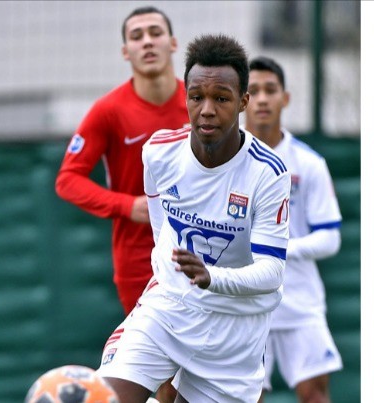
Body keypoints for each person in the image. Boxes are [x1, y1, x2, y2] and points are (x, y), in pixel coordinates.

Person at [97, 34, 291, 403]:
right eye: (197, 97)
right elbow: (161, 225)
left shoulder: (268, 173)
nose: (207, 110)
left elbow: (272, 272)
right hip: (169, 309)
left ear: (243, 101)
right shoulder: (159, 152)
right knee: (106, 398)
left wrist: (211, 277)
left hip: (234, 332)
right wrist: (170, 270)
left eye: (221, 98)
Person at [55, 6, 189, 316]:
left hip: (202, 249)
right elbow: (67, 180)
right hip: (138, 259)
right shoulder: (108, 111)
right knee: (151, 345)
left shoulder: (199, 104)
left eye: (155, 33)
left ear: (172, 43)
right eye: (137, 36)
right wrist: (127, 206)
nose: (147, 41)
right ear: (125, 51)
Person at [244, 56, 343, 403]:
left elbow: (330, 237)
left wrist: (281, 249)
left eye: (270, 90)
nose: (262, 99)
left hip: (300, 302)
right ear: (242, 100)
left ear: (285, 98)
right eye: (254, 91)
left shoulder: (309, 163)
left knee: (315, 394)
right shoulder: (225, 161)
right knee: (248, 396)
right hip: (245, 302)